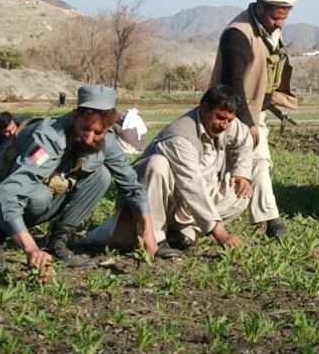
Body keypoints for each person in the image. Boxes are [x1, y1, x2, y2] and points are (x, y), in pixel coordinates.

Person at [0, 85, 158, 279]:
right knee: (38, 197)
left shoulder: (105, 140)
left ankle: (56, 243)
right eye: (85, 129)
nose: (90, 138)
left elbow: (132, 186)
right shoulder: (49, 138)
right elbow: (9, 194)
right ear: (75, 116)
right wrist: (31, 249)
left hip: (34, 194)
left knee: (101, 176)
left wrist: (146, 229)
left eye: (98, 132)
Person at [82, 85, 254, 257]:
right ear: (204, 108)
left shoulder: (227, 124)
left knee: (241, 194)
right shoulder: (180, 136)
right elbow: (192, 187)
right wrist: (221, 234)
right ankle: (156, 238)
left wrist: (242, 173)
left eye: (229, 120)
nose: (225, 125)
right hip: (163, 201)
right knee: (157, 164)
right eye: (220, 118)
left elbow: (245, 138)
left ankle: (182, 233)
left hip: (192, 203)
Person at [209, 0, 299, 239]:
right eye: (276, 17)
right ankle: (270, 220)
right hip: (229, 113)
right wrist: (248, 123)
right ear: (259, 7)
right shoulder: (237, 35)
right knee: (235, 163)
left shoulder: (269, 30)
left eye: (284, 18)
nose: (280, 24)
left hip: (253, 110)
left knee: (256, 162)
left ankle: (270, 219)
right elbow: (232, 85)